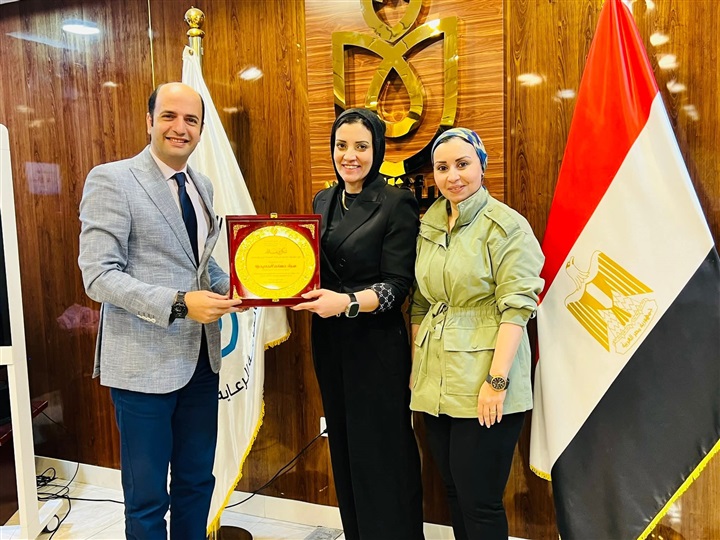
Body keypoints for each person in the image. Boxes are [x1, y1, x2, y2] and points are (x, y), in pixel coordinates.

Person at [78, 82, 244, 539]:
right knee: (148, 499)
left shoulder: (201, 184)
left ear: (201, 129)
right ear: (149, 120)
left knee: (197, 483)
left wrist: (245, 288)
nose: (180, 127)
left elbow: (199, 263)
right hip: (142, 367)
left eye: (191, 119)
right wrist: (179, 304)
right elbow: (98, 275)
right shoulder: (111, 180)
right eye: (169, 116)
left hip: (201, 363)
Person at [292, 108, 424, 540]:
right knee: (345, 450)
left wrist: (347, 303)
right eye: (341, 145)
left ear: (377, 150)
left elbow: (397, 287)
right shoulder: (323, 200)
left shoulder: (396, 201)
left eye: (361, 147)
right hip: (329, 342)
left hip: (376, 346)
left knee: (381, 455)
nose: (349, 156)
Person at [410, 127, 544, 540]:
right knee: (453, 490)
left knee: (480, 500)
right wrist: (417, 370)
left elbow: (518, 309)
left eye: (463, 164)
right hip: (436, 380)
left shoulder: (506, 226)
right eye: (442, 167)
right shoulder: (430, 224)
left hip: (485, 378)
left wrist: (496, 381)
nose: (453, 176)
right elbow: (420, 303)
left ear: (482, 166)